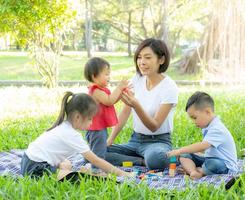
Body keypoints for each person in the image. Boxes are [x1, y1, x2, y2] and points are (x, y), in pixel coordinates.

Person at [106, 38, 179, 170]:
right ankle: (141, 161)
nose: (142, 62)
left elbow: (154, 126)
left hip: (158, 142)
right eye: (139, 57)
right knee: (96, 152)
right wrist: (110, 140)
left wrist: (136, 105)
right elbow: (125, 112)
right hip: (135, 141)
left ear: (161, 60)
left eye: (147, 57)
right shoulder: (138, 79)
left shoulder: (169, 87)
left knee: (156, 158)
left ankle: (169, 157)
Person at [21, 91, 130, 178]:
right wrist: (122, 174)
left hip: (27, 160)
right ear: (78, 117)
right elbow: (95, 160)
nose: (91, 123)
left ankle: (59, 168)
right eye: (89, 119)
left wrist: (60, 163)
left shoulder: (64, 127)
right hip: (36, 167)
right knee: (74, 177)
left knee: (66, 165)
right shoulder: (72, 135)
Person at [167, 91, 238, 179]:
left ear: (207, 112)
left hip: (224, 165)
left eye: (194, 118)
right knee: (185, 154)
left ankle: (199, 170)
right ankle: (193, 172)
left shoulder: (217, 128)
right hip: (209, 159)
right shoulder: (207, 126)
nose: (193, 122)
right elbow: (209, 150)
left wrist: (179, 150)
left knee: (213, 164)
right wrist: (185, 152)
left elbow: (203, 146)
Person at [83, 57, 129, 170]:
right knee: (98, 153)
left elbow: (110, 101)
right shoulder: (96, 91)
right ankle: (96, 171)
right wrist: (119, 88)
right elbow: (109, 101)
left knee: (99, 150)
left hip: (99, 128)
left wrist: (121, 93)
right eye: (106, 74)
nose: (109, 77)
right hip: (96, 130)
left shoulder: (100, 90)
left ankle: (97, 168)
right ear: (94, 76)